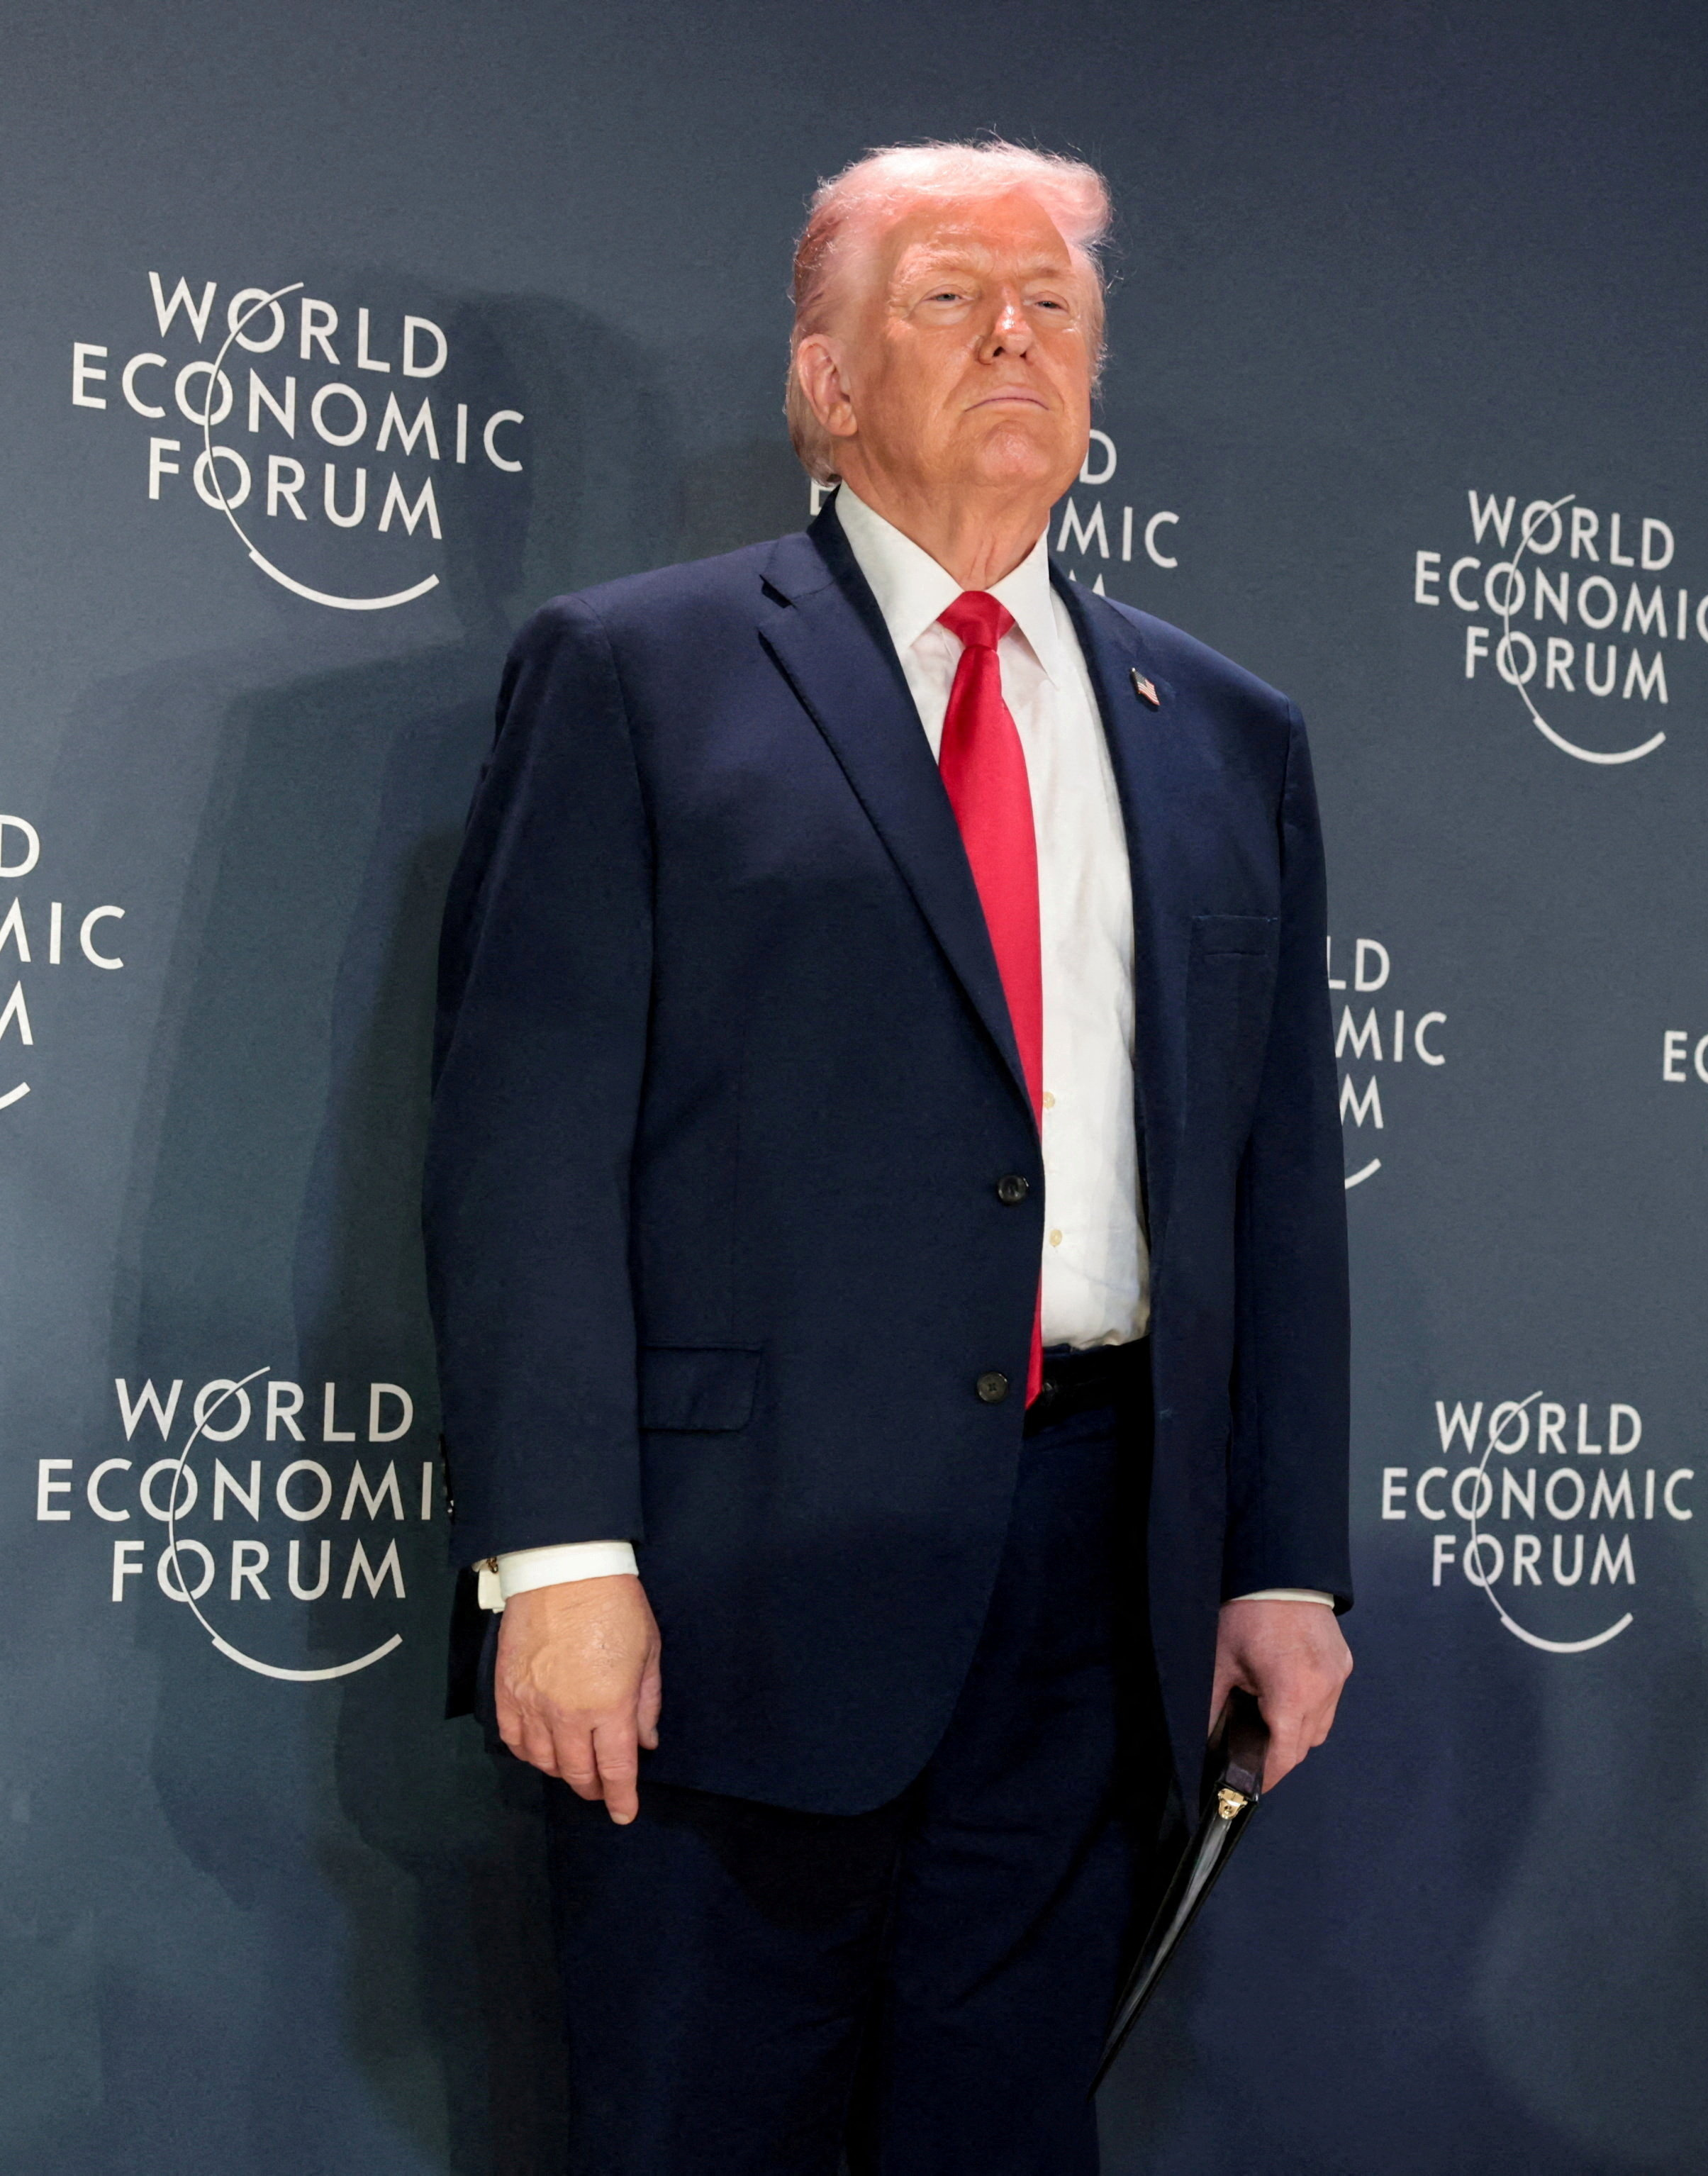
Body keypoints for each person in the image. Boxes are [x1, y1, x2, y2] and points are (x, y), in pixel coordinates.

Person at [424, 138, 1353, 2175]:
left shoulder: (1223, 729)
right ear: (827, 382)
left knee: (1004, 2137)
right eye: (947, 297)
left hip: (1100, 1580)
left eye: (1054, 307)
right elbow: (528, 1142)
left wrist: (1276, 1553)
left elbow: (1275, 1182)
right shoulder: (638, 673)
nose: (1014, 335)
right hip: (727, 1586)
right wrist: (562, 1559)